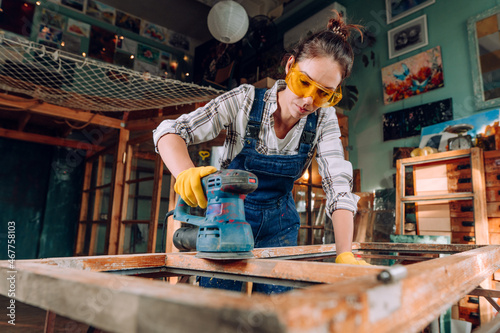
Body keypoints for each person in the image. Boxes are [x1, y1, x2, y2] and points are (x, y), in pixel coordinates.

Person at [153, 11, 368, 294]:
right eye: (304, 83)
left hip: (280, 225)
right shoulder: (245, 100)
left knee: (278, 307)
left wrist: (345, 253)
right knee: (220, 308)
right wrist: (184, 172)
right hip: (228, 220)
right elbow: (169, 131)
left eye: (323, 93)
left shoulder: (324, 119)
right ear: (290, 65)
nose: (308, 100)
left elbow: (337, 186)